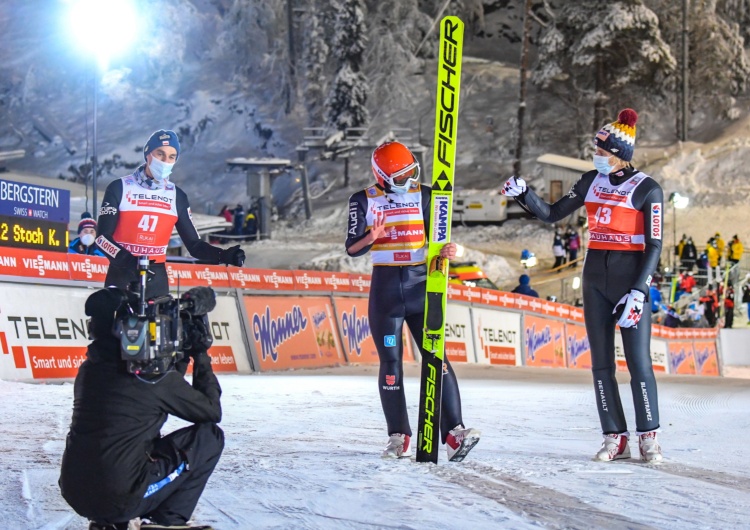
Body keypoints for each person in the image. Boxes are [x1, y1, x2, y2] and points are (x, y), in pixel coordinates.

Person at [501, 108, 664, 462]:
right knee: (602, 364)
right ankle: (614, 436)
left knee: (638, 362)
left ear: (620, 155)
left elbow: (655, 245)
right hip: (594, 278)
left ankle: (648, 435)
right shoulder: (591, 180)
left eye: (603, 152)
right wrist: (524, 193)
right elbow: (552, 213)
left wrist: (639, 291)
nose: (596, 157)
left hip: (630, 278)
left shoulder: (648, 189)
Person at [345, 141, 480, 462]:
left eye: (411, 173)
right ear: (382, 176)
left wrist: (447, 251)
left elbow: (441, 240)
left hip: (422, 287)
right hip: (386, 291)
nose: (408, 181)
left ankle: (454, 433)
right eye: (400, 176)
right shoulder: (362, 199)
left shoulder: (428, 194)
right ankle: (398, 436)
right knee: (390, 363)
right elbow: (352, 248)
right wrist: (371, 237)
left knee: (437, 358)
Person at [59, 288, 223, 530]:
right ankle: (166, 522)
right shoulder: (151, 377)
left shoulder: (89, 371)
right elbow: (210, 411)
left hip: (75, 490)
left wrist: (179, 358)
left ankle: (110, 523)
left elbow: (148, 400)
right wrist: (200, 355)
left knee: (127, 441)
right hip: (120, 494)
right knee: (209, 438)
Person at [96, 130, 245, 298]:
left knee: (163, 323)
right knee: (109, 320)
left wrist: (224, 255)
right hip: (121, 274)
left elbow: (194, 246)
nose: (165, 161)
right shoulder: (120, 187)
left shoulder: (177, 196)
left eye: (171, 157)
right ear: (148, 154)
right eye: (160, 154)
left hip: (156, 278)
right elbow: (102, 238)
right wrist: (129, 261)